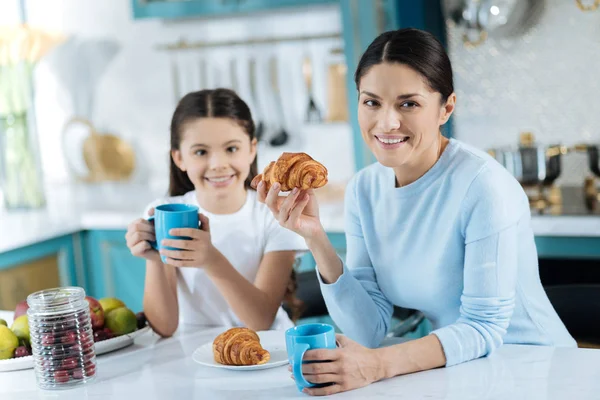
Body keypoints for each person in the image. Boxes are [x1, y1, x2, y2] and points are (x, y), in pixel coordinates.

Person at [257, 28, 576, 396]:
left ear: (447, 108)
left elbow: (484, 327)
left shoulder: (483, 185)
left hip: (534, 370)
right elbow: (367, 330)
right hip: (456, 371)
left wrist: (376, 365)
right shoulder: (365, 190)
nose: (387, 123)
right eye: (371, 102)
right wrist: (316, 239)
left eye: (408, 103)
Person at [125, 89, 306, 337]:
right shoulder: (161, 212)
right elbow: (164, 327)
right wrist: (155, 259)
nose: (218, 163)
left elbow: (260, 321)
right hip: (192, 352)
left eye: (231, 149)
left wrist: (210, 259)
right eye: (201, 152)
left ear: (252, 149)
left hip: (266, 349)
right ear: (179, 158)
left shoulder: (274, 214)